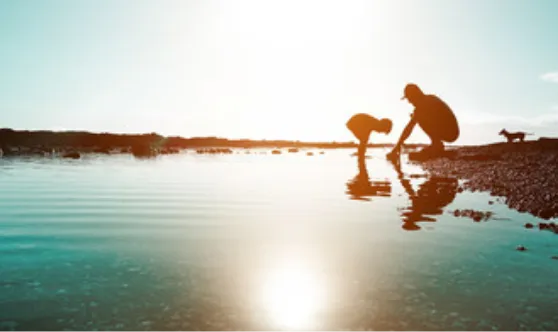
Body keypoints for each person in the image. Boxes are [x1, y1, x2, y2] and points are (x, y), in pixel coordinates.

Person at [386, 83, 459, 160]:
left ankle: (437, 145)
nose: (409, 102)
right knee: (416, 116)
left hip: (450, 132)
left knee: (418, 116)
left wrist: (397, 147)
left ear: (414, 95)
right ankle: (436, 144)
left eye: (409, 98)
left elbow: (409, 127)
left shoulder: (423, 105)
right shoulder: (429, 98)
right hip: (452, 131)